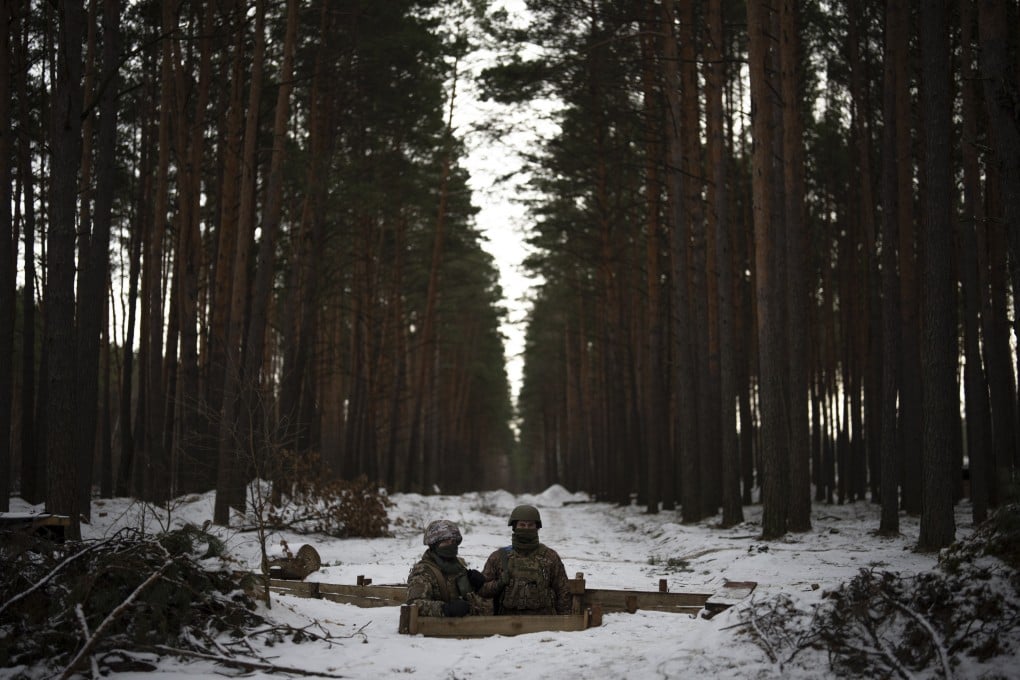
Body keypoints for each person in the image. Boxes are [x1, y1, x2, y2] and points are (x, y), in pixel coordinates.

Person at [478, 504, 571, 615]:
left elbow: (563, 591)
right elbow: (482, 590)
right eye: (522, 525)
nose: (526, 528)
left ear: (537, 527)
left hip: (544, 624)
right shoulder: (499, 557)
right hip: (506, 623)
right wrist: (499, 583)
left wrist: (563, 622)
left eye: (530, 525)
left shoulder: (550, 557)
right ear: (514, 527)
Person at [406, 519, 488, 617]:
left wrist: (476, 586)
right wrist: (445, 609)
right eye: (446, 541)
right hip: (440, 629)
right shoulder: (423, 572)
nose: (451, 544)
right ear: (434, 545)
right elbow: (414, 605)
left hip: (470, 625)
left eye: (453, 541)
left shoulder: (458, 567)